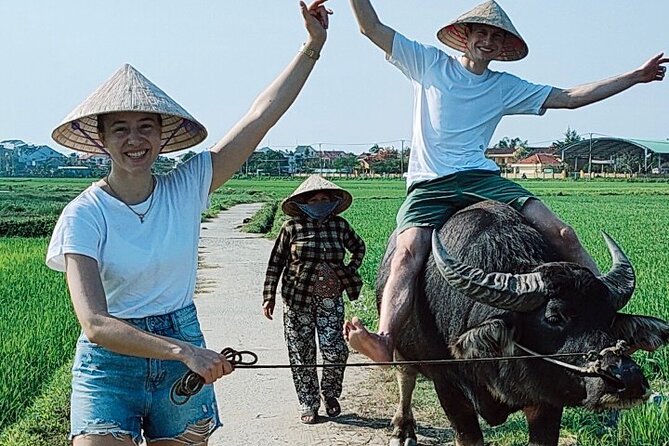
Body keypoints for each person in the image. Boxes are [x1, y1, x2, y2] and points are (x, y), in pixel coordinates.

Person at [45, 2, 333, 444]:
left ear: (163, 136)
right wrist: (185, 352)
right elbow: (95, 323)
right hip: (110, 363)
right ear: (101, 141)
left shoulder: (187, 186)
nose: (135, 140)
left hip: (180, 338)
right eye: (120, 129)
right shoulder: (84, 215)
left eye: (146, 127)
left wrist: (310, 49)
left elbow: (260, 116)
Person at [343, 0, 668, 363]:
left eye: (496, 37)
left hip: (482, 178)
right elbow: (371, 28)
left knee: (563, 235)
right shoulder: (428, 63)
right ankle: (385, 339)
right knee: (406, 254)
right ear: (464, 36)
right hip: (430, 183)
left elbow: (569, 98)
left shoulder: (504, 86)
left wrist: (635, 77)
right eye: (481, 32)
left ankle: (605, 315)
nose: (488, 41)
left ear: (502, 48)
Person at [262, 175, 366, 424]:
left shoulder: (340, 226)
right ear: (304, 203)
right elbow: (275, 262)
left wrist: (349, 271)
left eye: (325, 199)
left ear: (332, 202)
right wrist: (269, 296)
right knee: (301, 351)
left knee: (336, 350)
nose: (320, 203)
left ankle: (330, 394)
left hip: (331, 298)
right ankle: (308, 402)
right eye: (315, 199)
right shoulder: (291, 228)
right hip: (297, 298)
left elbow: (358, 247)